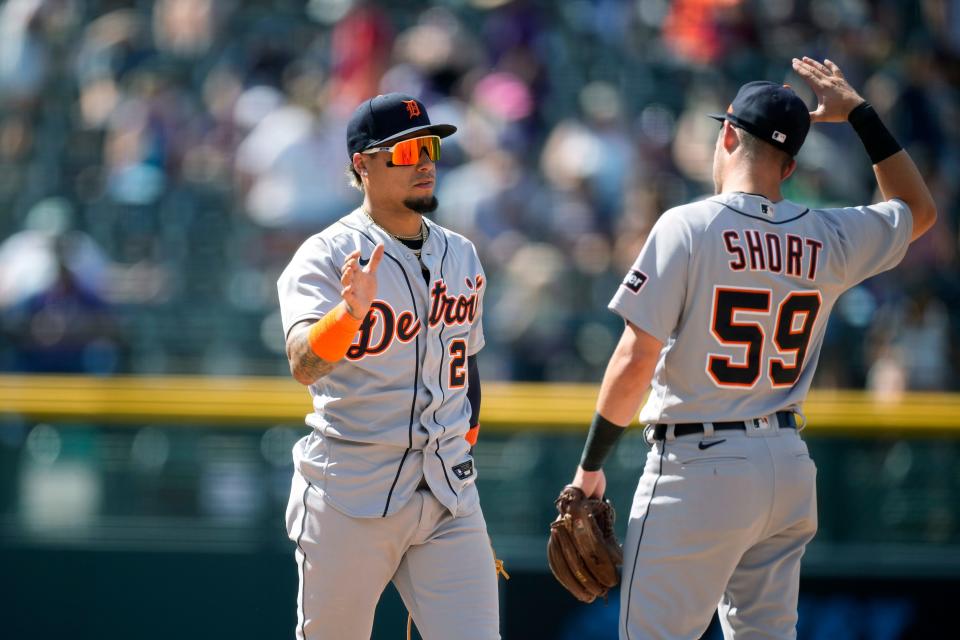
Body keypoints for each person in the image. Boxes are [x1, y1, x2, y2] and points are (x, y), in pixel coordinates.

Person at [563, 57, 936, 639]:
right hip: (786, 469)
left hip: (697, 466)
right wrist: (861, 114)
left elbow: (635, 359)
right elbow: (920, 209)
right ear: (789, 165)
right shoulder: (829, 234)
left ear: (728, 134)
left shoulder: (688, 225)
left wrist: (589, 468)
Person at [276, 93, 499, 640]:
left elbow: (466, 365)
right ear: (362, 165)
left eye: (429, 147)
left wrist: (461, 445)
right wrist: (350, 314)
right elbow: (304, 364)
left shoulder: (462, 254)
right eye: (403, 152)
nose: (424, 162)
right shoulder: (328, 254)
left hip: (448, 492)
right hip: (351, 492)